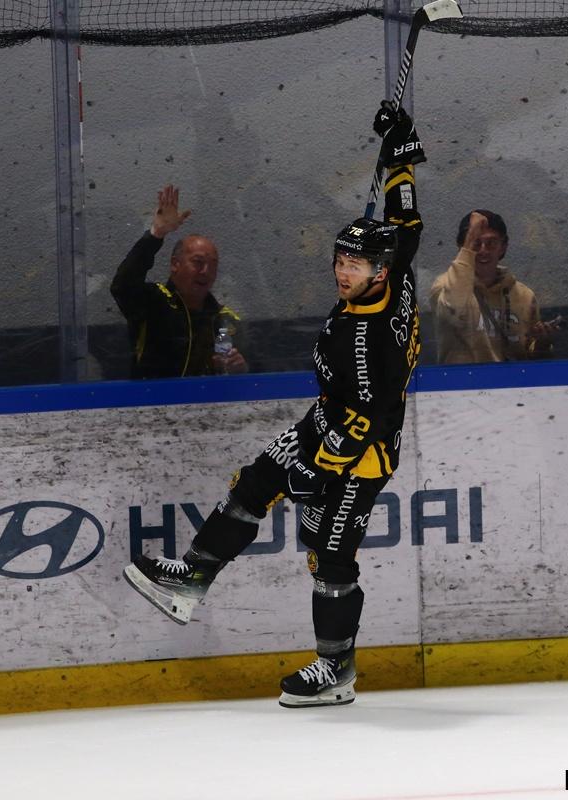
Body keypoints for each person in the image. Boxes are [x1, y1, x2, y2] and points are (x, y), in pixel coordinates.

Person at [123, 101, 426, 708]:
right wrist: (400, 150)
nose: (342, 272)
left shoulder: (366, 341)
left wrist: (319, 470)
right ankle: (193, 577)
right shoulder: (394, 278)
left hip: (360, 452)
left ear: (378, 270)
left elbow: (367, 418)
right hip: (328, 420)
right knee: (257, 481)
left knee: (330, 559)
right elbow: (406, 221)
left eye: (355, 264)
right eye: (340, 260)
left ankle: (335, 668)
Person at [110, 185, 248, 379]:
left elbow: (255, 375)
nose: (206, 271)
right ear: (175, 264)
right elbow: (122, 285)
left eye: (213, 264)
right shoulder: (153, 302)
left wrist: (240, 370)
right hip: (153, 398)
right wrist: (156, 234)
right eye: (198, 262)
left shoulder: (225, 320)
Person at [428, 210, 562, 364]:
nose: (483, 250)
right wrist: (470, 238)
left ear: (503, 247)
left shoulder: (524, 295)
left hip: (513, 379)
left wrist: (542, 344)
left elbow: (530, 357)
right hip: (461, 379)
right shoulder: (444, 286)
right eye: (476, 243)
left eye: (491, 243)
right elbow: (454, 308)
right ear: (463, 247)